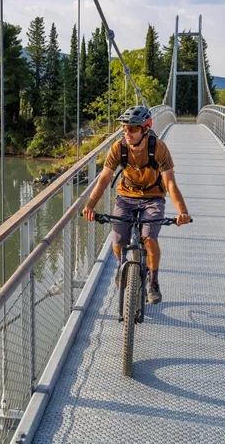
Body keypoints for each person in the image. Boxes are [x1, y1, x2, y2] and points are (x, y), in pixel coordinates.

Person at [82, 105, 192, 304]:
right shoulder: (119, 148)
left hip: (153, 198)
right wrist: (90, 205)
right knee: (117, 241)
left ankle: (153, 282)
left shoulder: (158, 148)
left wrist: (182, 211)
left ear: (145, 129)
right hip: (126, 196)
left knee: (149, 238)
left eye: (132, 129)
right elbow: (104, 179)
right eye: (125, 128)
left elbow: (170, 183)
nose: (127, 133)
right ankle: (121, 266)